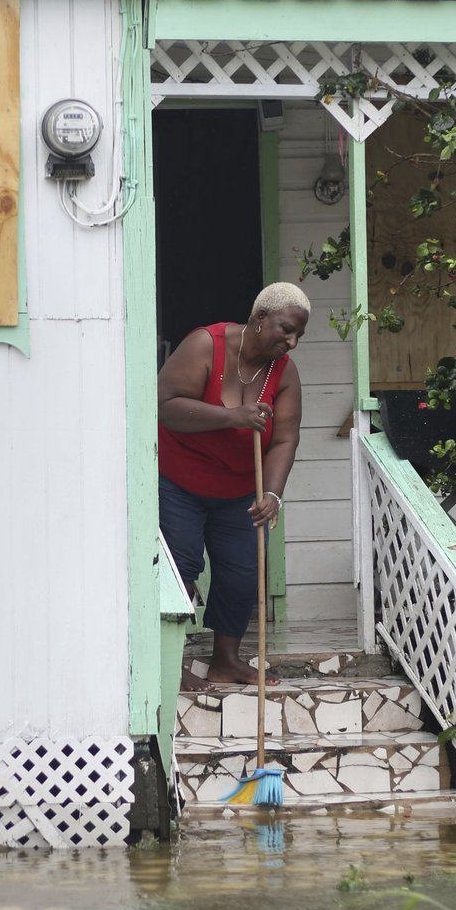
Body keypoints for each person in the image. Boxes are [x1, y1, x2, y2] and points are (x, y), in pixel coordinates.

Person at [158, 282, 309, 689]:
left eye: (298, 335)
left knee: (243, 571)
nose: (291, 341)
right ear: (260, 318)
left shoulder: (285, 373)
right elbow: (166, 407)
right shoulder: (205, 345)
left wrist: (272, 494)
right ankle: (164, 661)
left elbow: (284, 439)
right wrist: (234, 418)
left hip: (239, 489)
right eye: (286, 329)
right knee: (181, 566)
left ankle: (225, 659)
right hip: (180, 481)